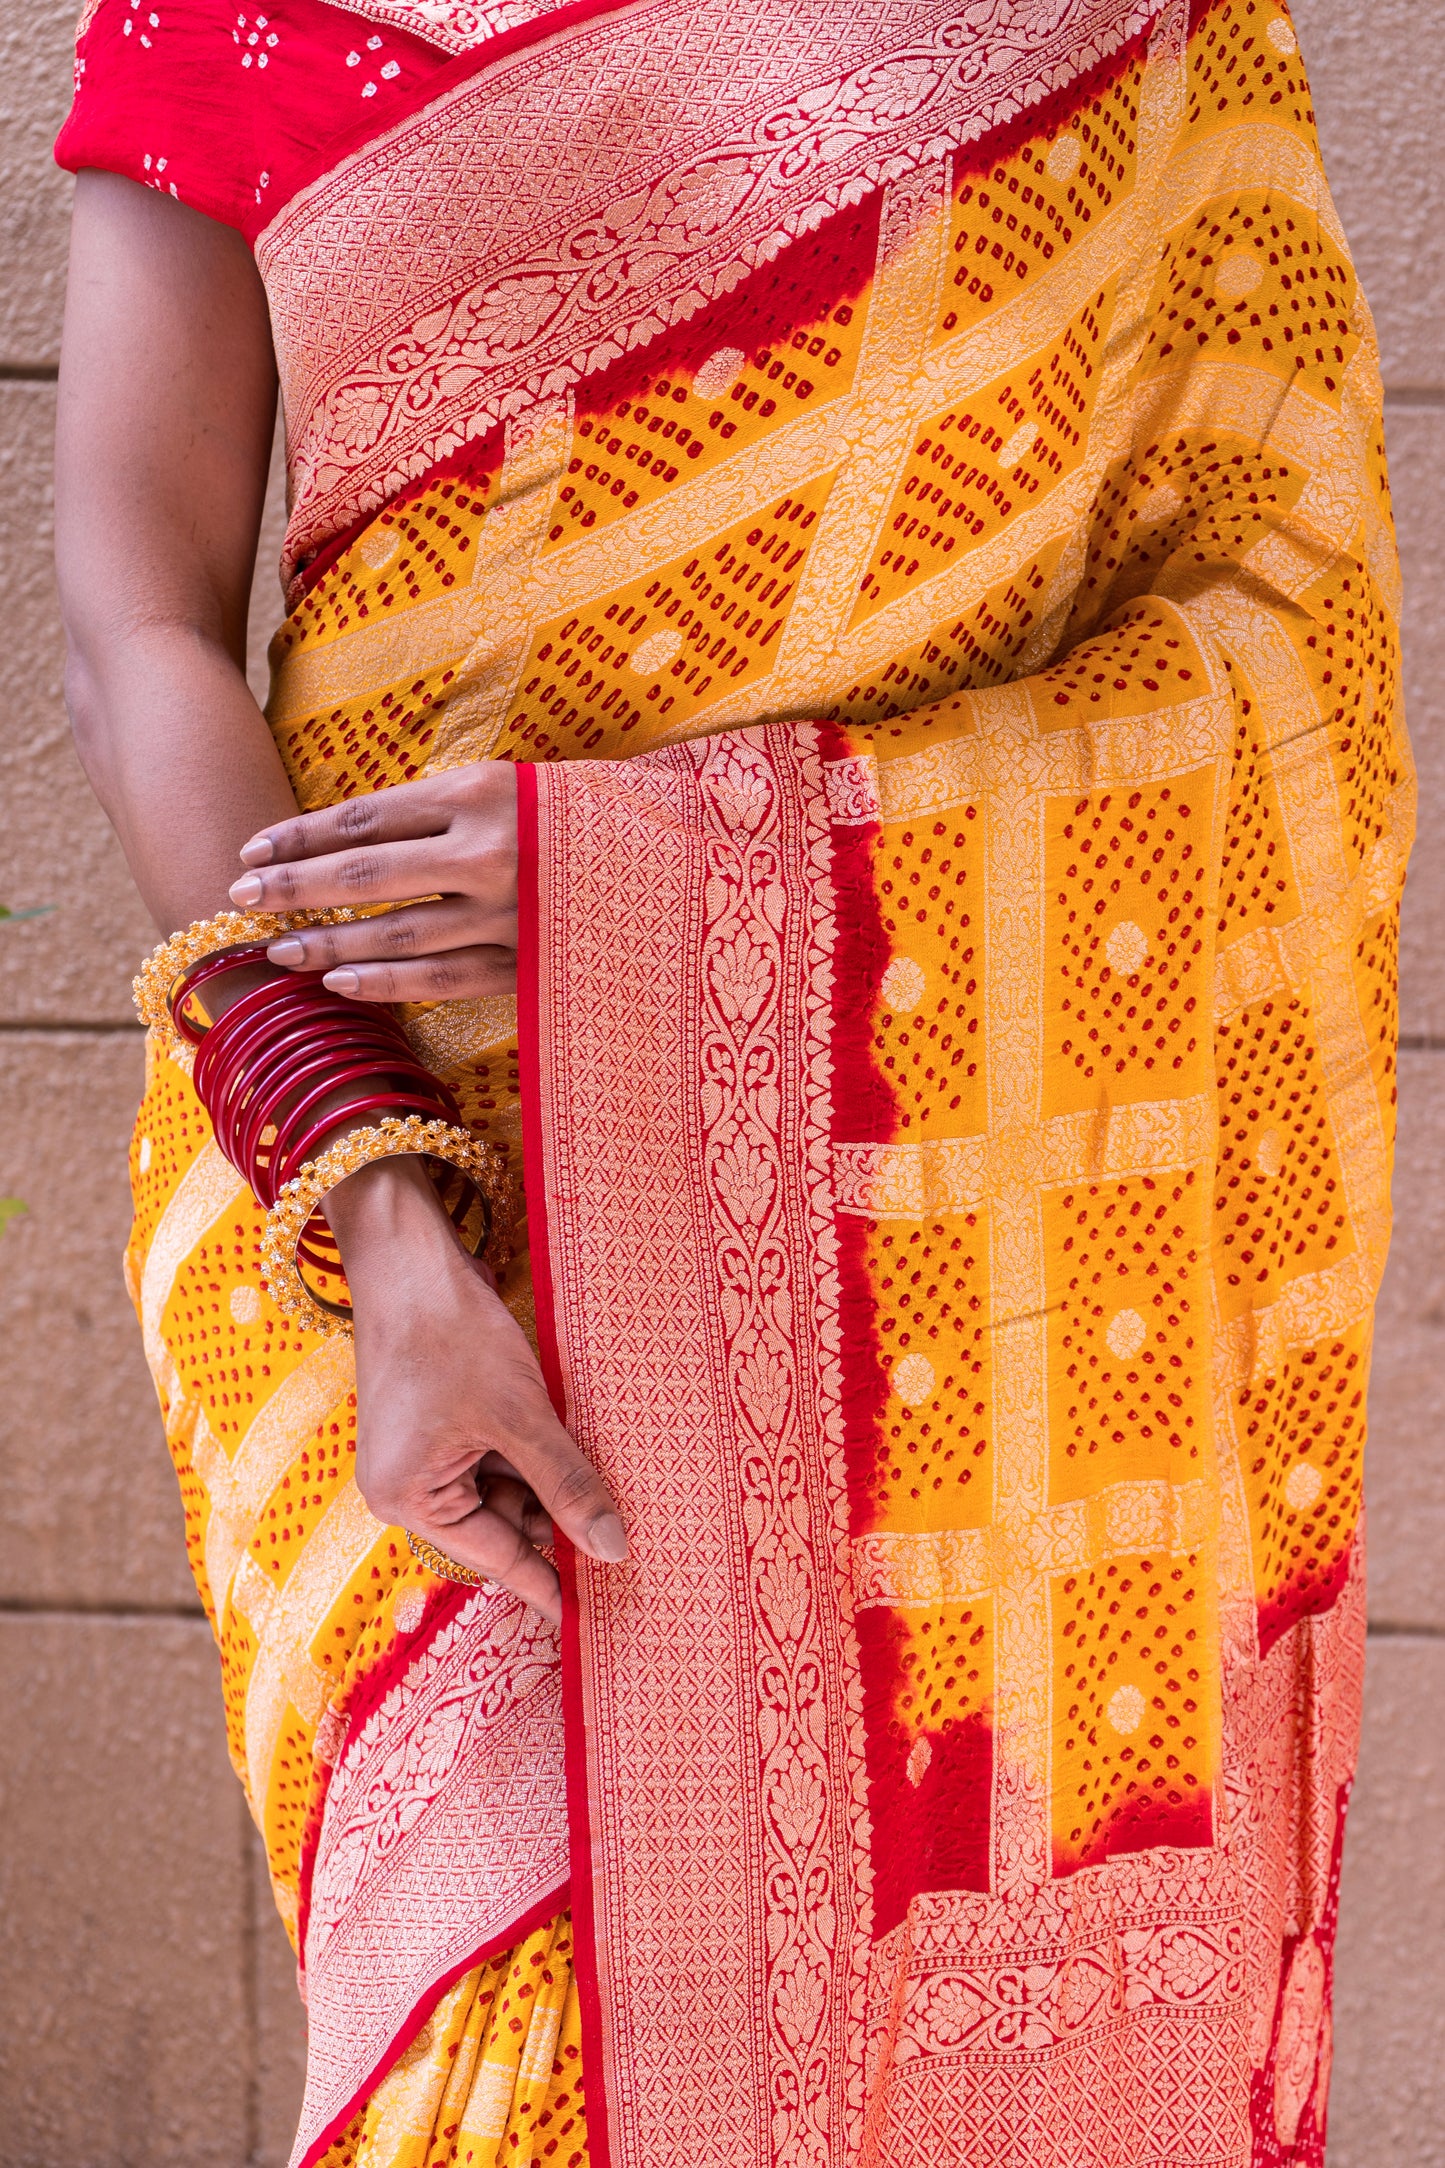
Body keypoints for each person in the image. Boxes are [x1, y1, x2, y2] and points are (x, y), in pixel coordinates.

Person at [52, 0, 1409, 2162]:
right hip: (379, 1155)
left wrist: (663, 884)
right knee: (500, 2059)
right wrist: (370, 1192)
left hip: (945, 1197)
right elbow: (139, 622)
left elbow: (1281, 634)